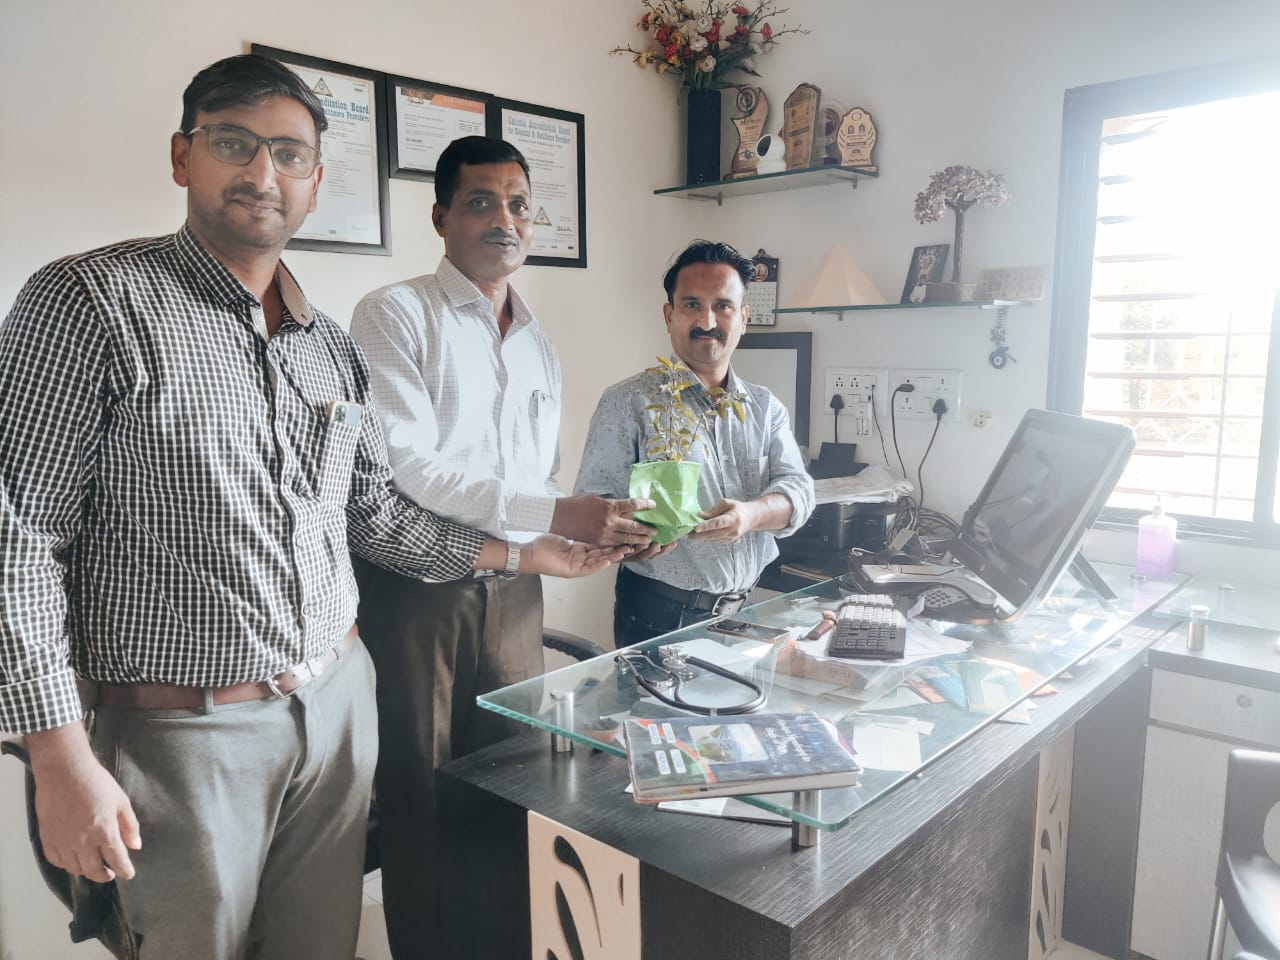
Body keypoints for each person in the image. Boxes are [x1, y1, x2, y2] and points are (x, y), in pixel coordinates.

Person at [0, 55, 620, 960]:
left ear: (317, 182)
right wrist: (56, 756)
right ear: (182, 156)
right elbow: (18, 537)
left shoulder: (326, 346)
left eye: (289, 154)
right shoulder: (91, 302)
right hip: (183, 733)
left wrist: (529, 556)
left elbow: (373, 516)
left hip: (335, 712)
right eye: (234, 144)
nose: (263, 173)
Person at [348, 134, 655, 958]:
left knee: (515, 780)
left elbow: (534, 475)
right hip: (419, 591)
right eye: (481, 201)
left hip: (518, 591)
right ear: (441, 215)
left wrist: (584, 536)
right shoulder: (393, 313)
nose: (504, 220)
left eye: (519, 204)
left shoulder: (537, 340)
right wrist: (557, 511)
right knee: (421, 793)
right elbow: (411, 468)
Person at [575, 240, 816, 647]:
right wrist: (631, 541)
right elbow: (591, 509)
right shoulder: (629, 402)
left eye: (723, 306)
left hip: (747, 613)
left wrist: (751, 515)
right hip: (659, 616)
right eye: (691, 305)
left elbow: (799, 492)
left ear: (743, 318)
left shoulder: (764, 407)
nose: (707, 320)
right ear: (669, 315)